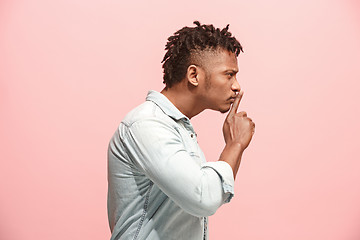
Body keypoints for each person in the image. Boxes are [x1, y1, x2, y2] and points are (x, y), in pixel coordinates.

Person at [107, 20, 255, 240]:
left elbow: (208, 195)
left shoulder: (178, 129)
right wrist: (235, 144)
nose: (236, 86)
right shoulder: (147, 124)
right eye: (228, 74)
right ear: (194, 75)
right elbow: (204, 197)